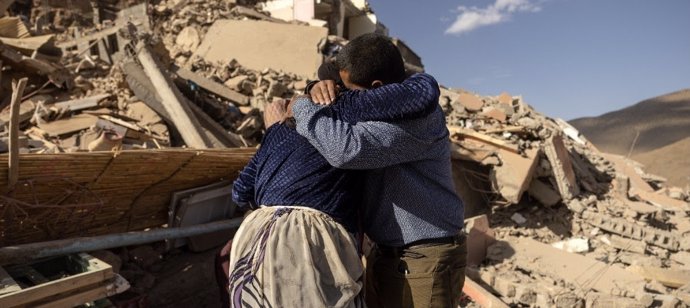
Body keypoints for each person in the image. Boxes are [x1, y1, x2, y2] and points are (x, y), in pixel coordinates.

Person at [226, 54, 446, 307]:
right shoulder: (347, 112)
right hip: (309, 241)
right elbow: (421, 95)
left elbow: (240, 192)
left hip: (254, 239)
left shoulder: (280, 127)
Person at [291, 33, 467, 308]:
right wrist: (318, 87)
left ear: (378, 87)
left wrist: (302, 107)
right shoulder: (388, 106)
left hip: (424, 258)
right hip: (391, 254)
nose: (345, 95)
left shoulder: (419, 118)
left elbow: (345, 149)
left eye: (350, 90)